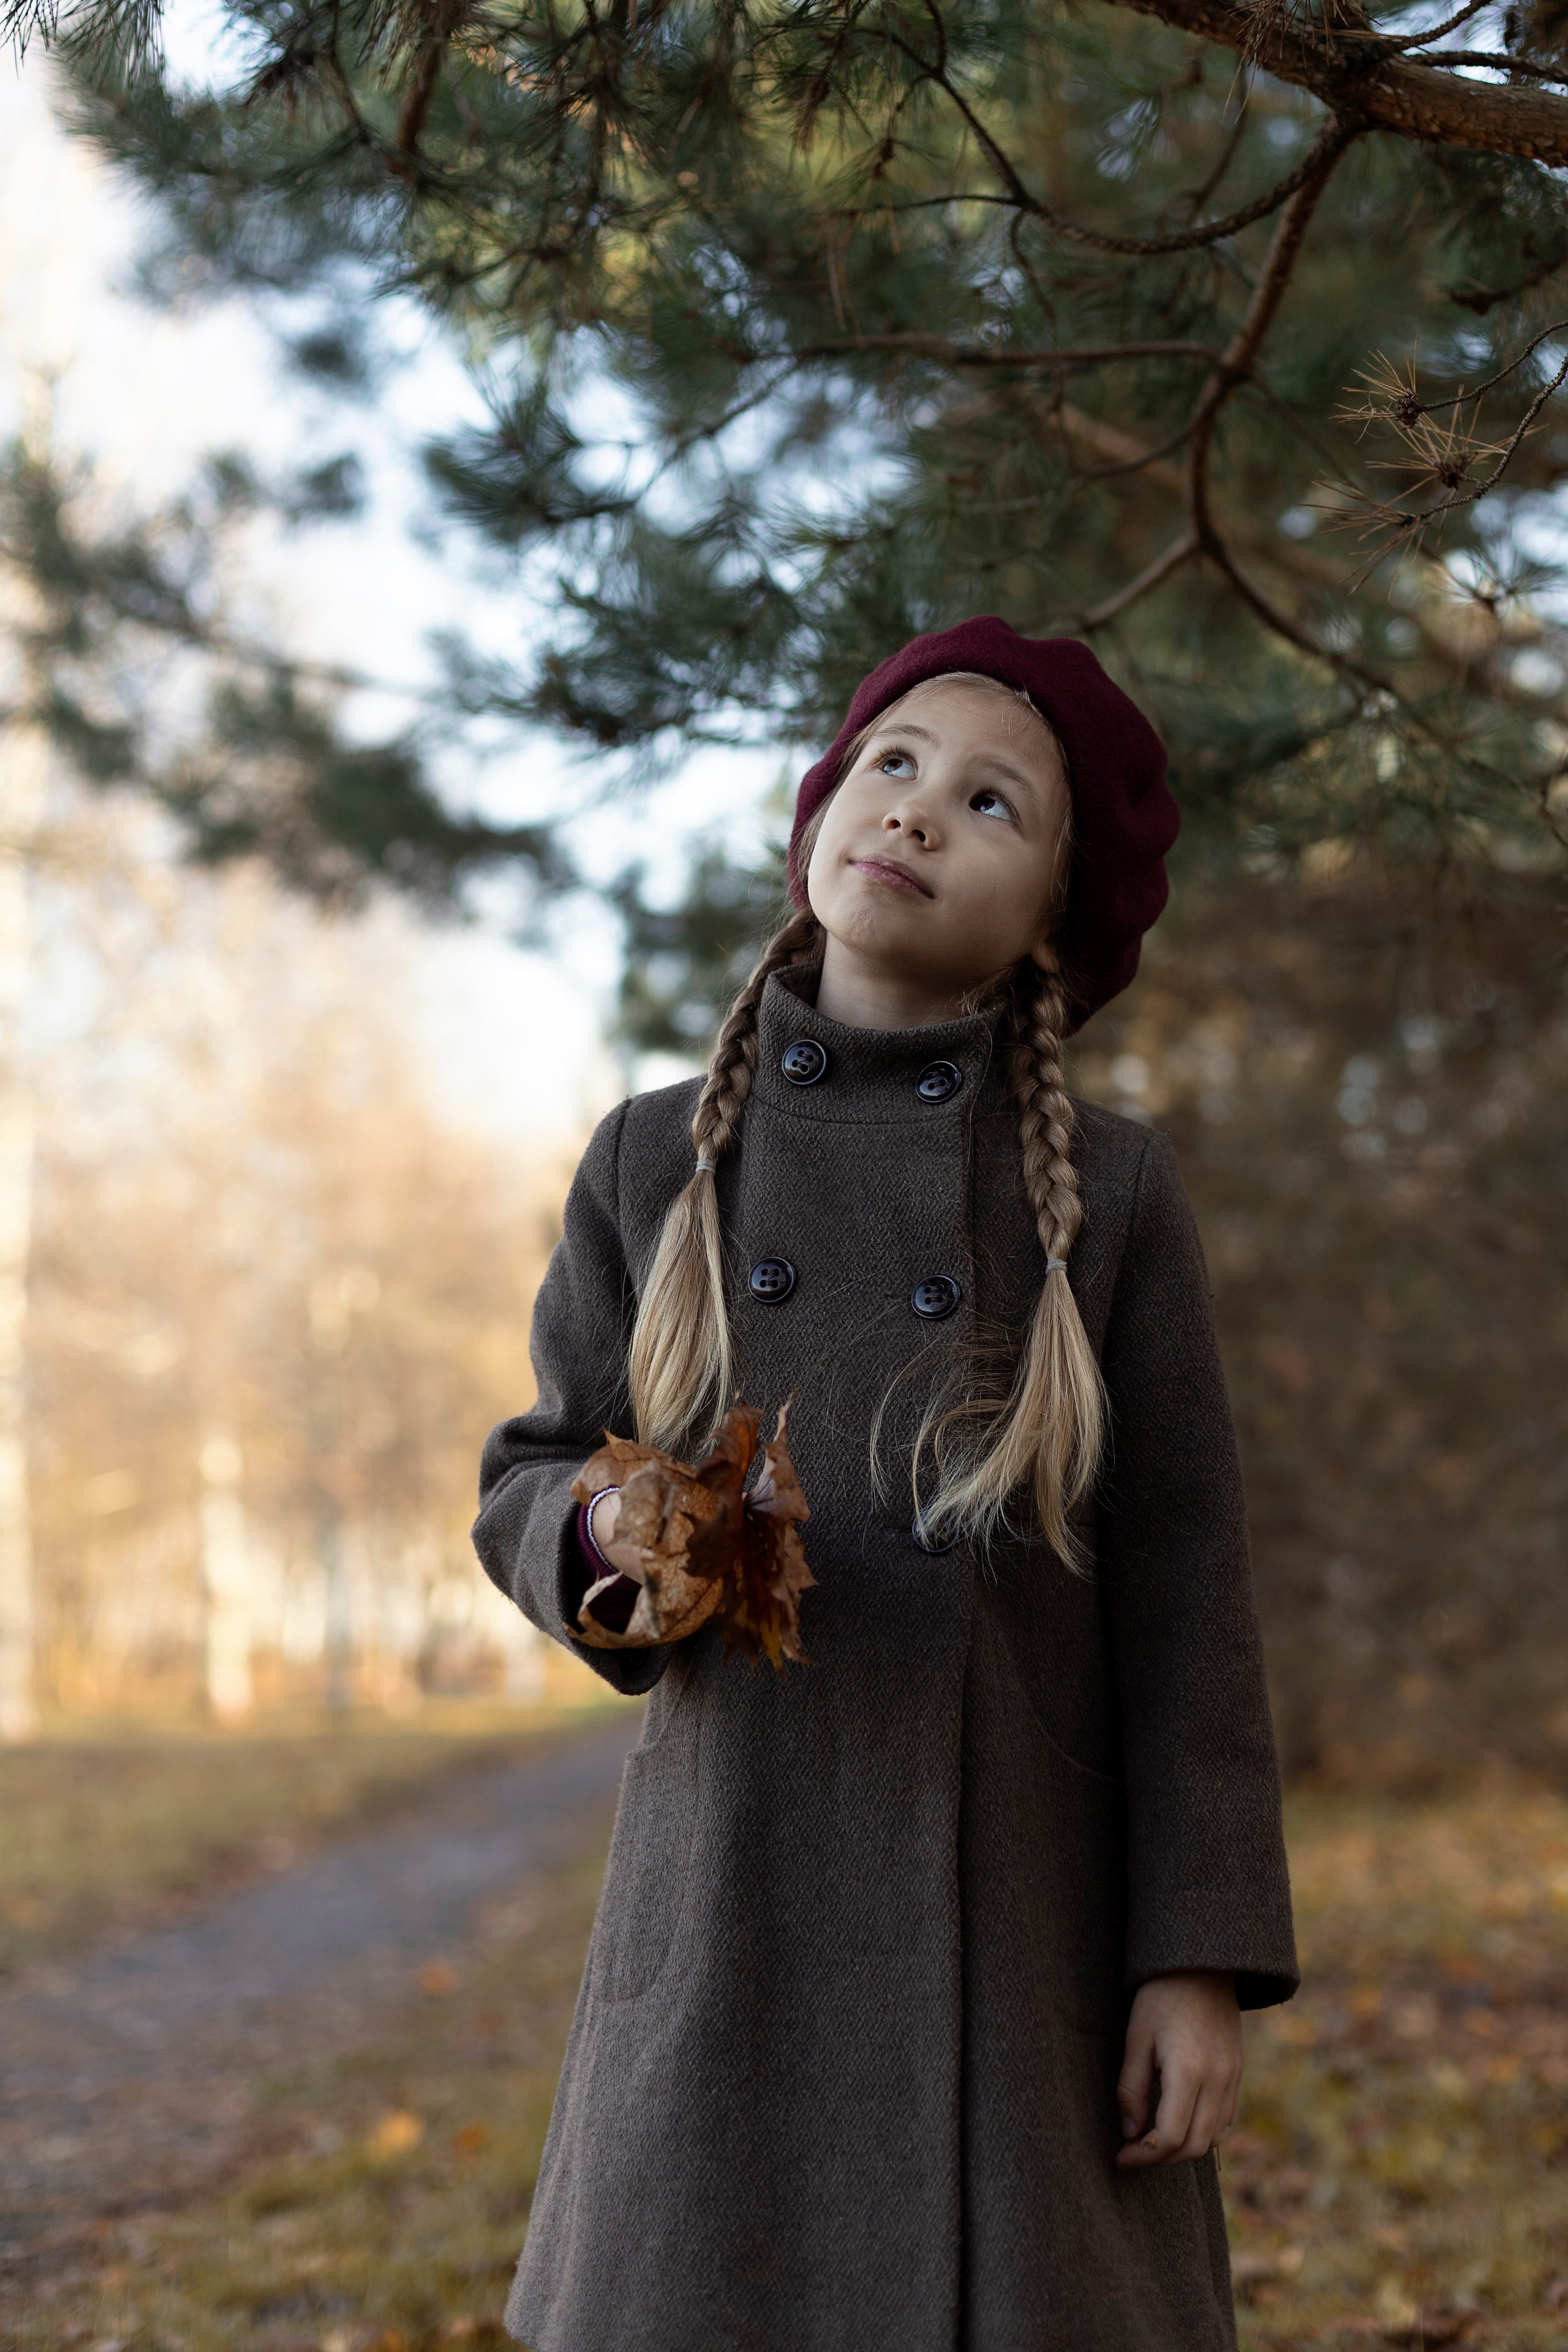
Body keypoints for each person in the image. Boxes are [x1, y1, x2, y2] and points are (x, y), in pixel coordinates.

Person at [474, 616, 1298, 2352]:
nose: (919, 811)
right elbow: (536, 1461)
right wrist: (600, 1537)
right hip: (729, 1913)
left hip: (1024, 1937)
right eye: (894, 765)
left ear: (1056, 930)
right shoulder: (654, 1163)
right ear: (822, 815)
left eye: (994, 802)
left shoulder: (1109, 1204)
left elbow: (1188, 1594)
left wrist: (1196, 1954)